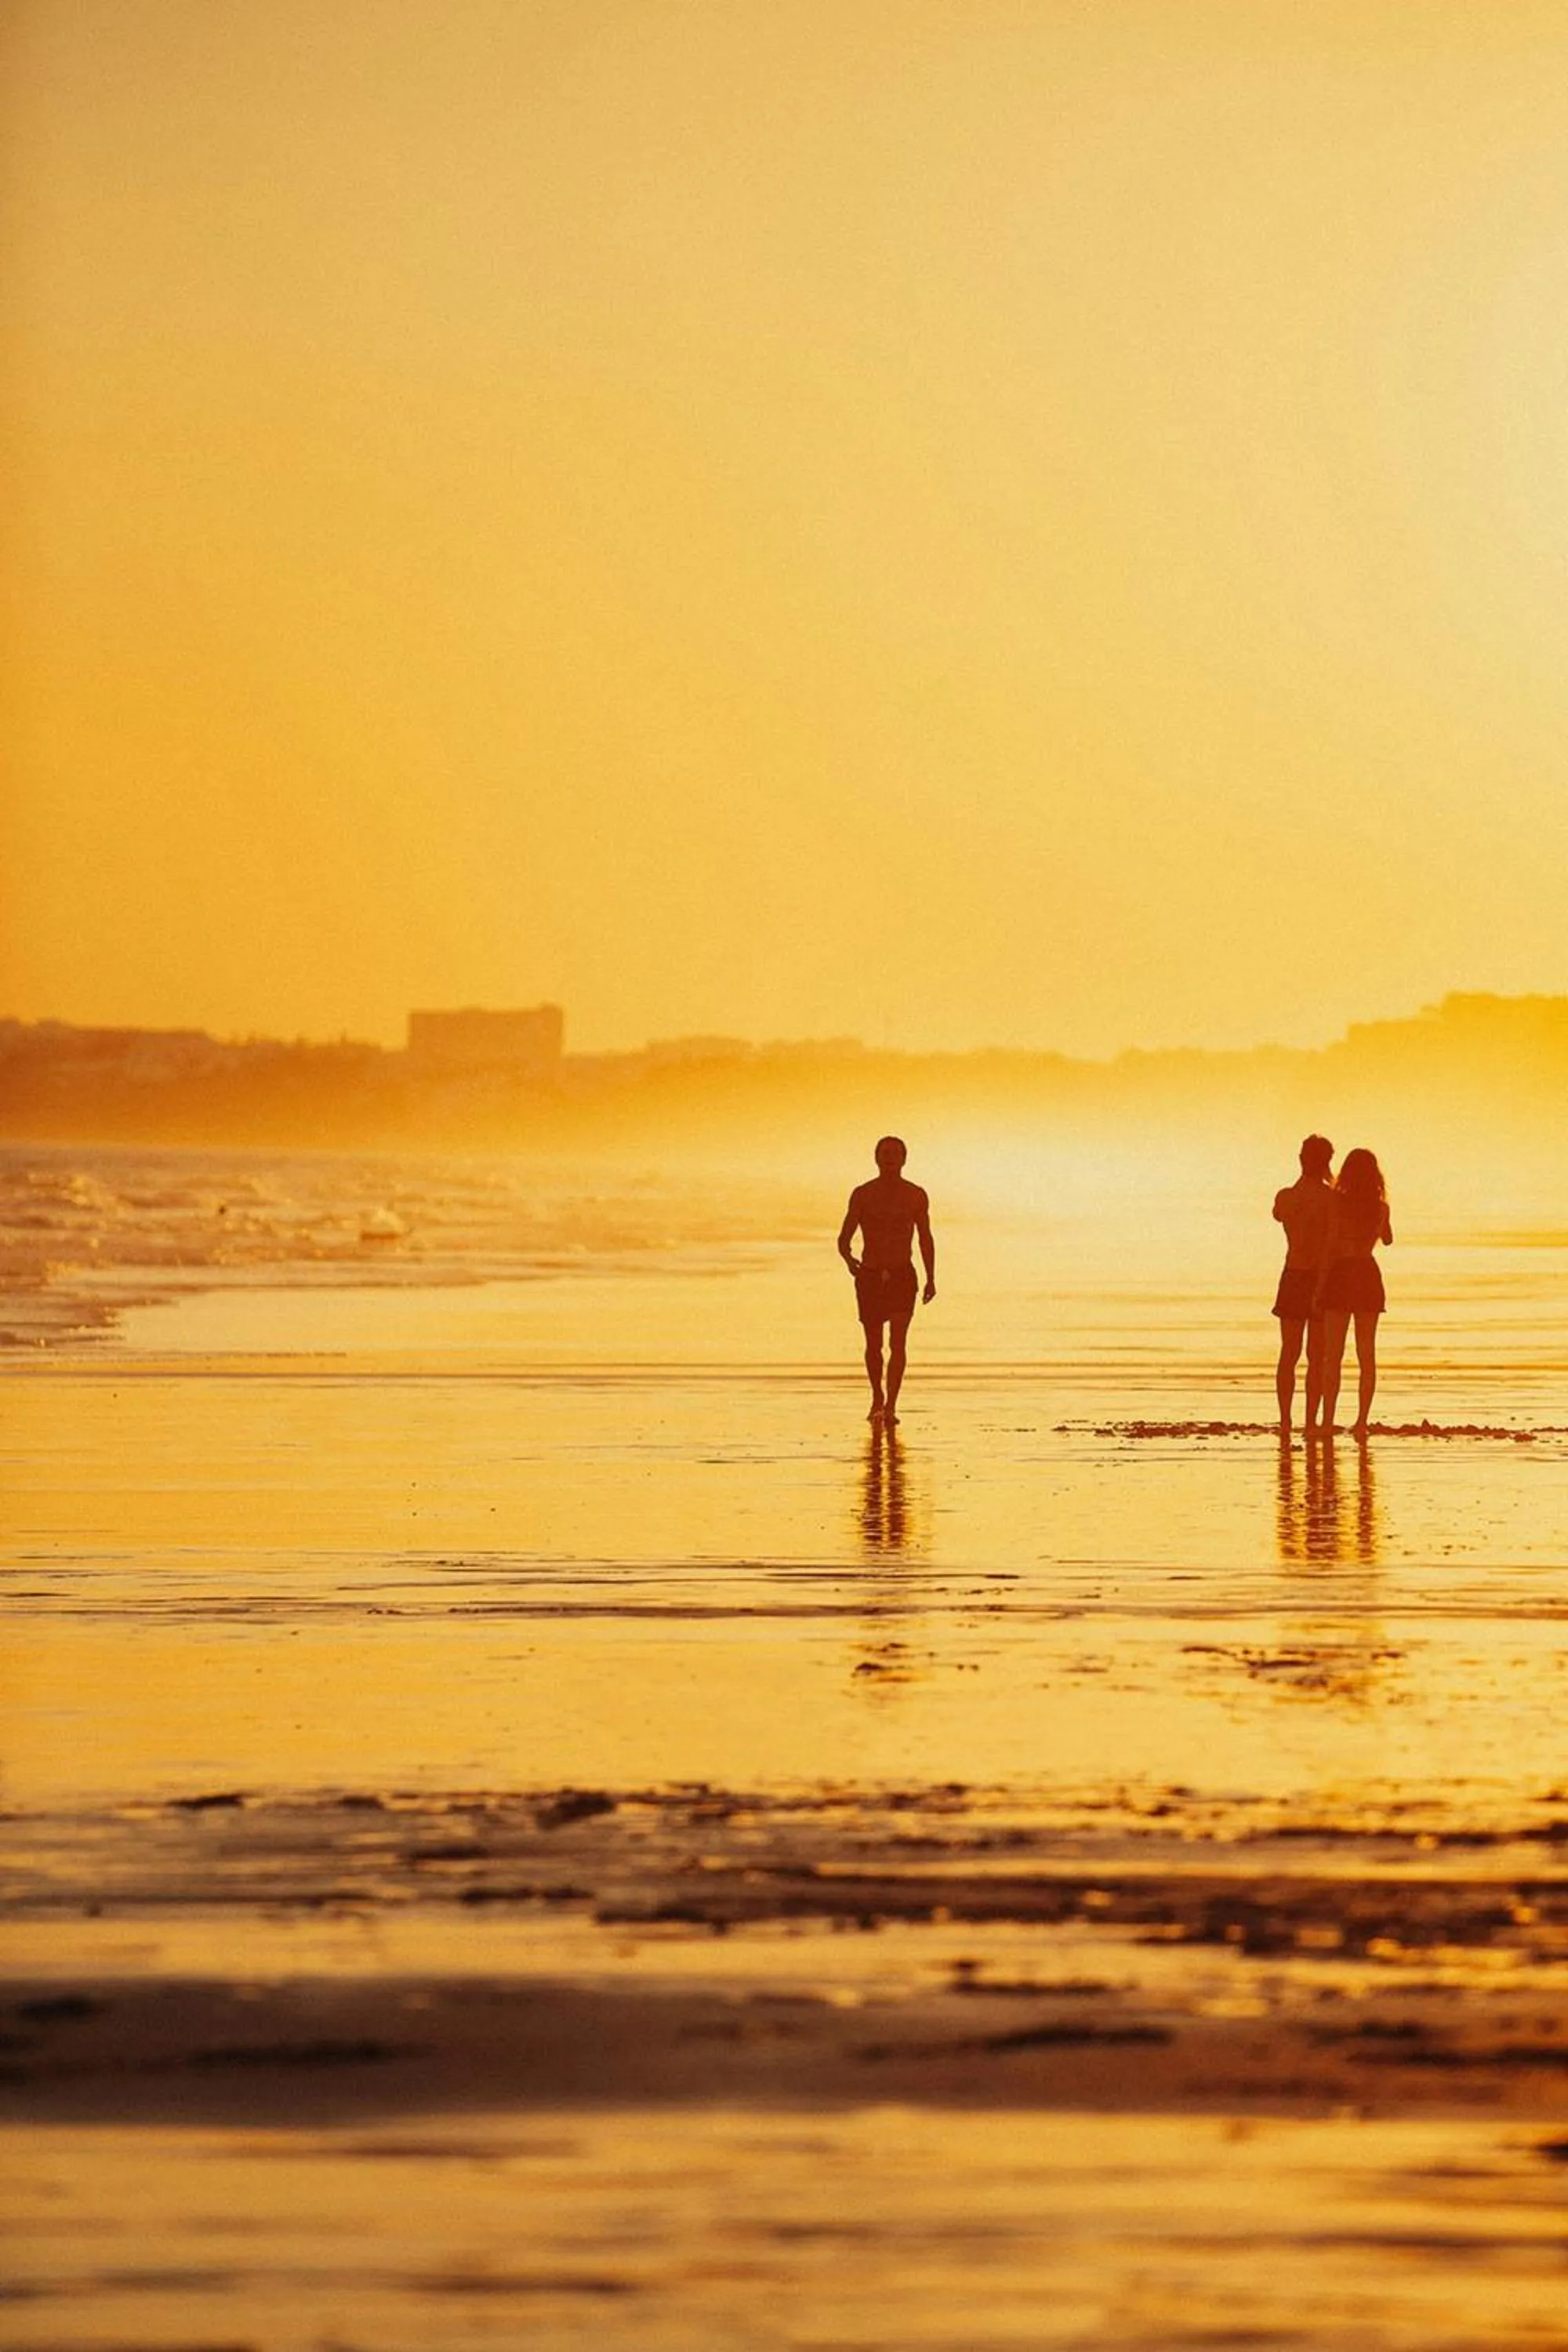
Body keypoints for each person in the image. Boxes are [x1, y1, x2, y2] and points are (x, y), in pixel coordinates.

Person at [837, 1137, 936, 1423]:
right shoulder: (863, 1194)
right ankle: (877, 1397)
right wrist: (850, 1262)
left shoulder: (915, 1195)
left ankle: (891, 1405)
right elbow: (843, 1239)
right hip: (870, 1275)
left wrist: (931, 1277)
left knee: (898, 1343)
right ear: (876, 1158)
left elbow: (925, 1238)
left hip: (902, 1274)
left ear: (904, 1159)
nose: (890, 1157)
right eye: (885, 1153)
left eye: (895, 1153)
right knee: (874, 1344)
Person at [1315, 1148, 1392, 1439]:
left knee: (1332, 1355)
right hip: (1367, 1274)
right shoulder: (1381, 1208)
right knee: (1366, 1353)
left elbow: (1331, 1244)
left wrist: (1319, 1287)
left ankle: (1327, 1421)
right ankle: (1362, 1422)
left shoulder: (1339, 1204)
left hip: (1342, 1273)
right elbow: (1388, 1239)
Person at [1271, 1134, 1336, 1435]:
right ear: (1327, 1162)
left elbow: (1280, 1215)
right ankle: (1310, 1422)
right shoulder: (1331, 1199)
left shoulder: (1287, 1196)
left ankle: (1286, 1421)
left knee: (1290, 1352)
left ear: (1301, 1159)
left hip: (1295, 1275)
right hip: (1321, 1277)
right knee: (1316, 1356)